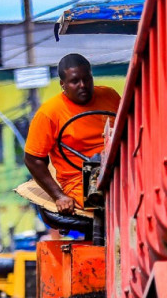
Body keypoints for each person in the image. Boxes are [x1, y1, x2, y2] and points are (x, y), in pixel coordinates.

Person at [23, 53, 121, 215]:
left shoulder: (109, 96)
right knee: (112, 199)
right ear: (63, 84)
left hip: (119, 169)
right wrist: (59, 196)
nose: (82, 85)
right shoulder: (49, 113)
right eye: (75, 81)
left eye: (87, 79)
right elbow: (32, 159)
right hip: (81, 182)